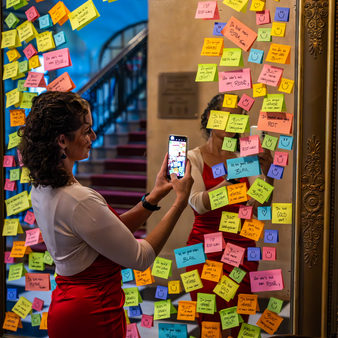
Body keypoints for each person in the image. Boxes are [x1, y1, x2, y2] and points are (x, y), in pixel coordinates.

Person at [18, 91, 193, 338]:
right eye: (86, 130)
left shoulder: (42, 188)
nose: (94, 136)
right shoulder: (79, 199)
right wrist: (180, 202)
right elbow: (140, 257)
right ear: (62, 140)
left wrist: (153, 197)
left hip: (67, 307)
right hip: (92, 313)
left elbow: (106, 234)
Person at [186, 93, 273, 336]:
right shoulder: (194, 157)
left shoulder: (242, 157)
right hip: (204, 251)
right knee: (212, 321)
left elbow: (262, 206)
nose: (233, 121)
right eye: (227, 115)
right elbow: (198, 204)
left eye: (239, 117)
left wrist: (269, 173)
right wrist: (233, 177)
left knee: (236, 324)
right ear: (211, 119)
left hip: (241, 250)